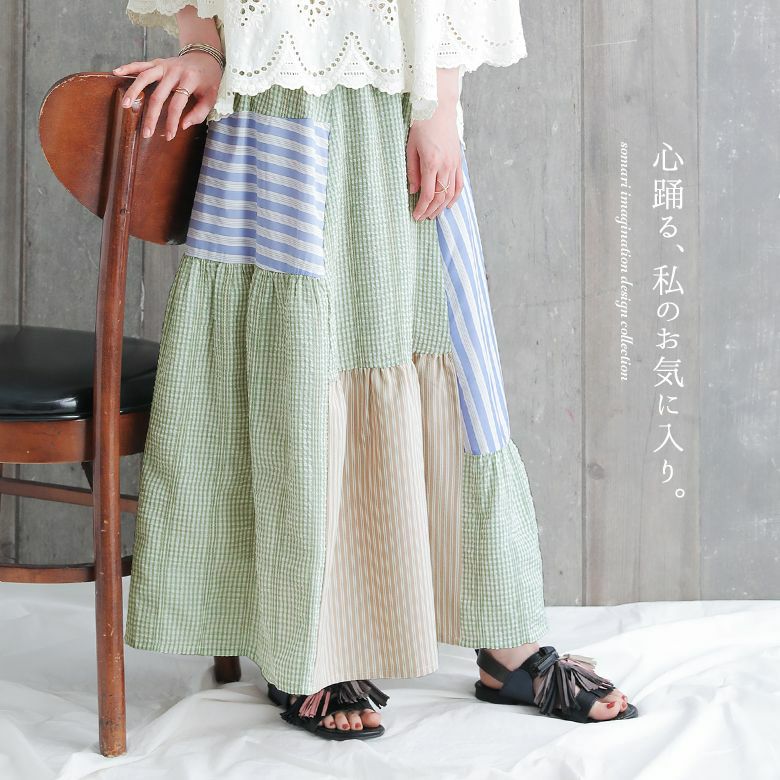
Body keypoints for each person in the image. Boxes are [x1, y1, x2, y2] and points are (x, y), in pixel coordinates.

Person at [117, 1, 637, 740]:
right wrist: (204, 46)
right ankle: (306, 642)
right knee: (294, 373)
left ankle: (506, 638)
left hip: (402, 101)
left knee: (450, 357)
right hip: (274, 102)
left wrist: (441, 107)